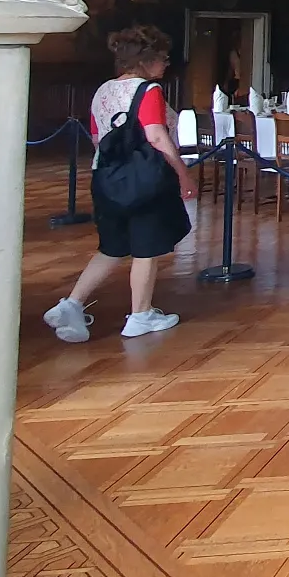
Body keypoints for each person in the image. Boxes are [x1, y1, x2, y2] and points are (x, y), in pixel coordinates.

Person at [43, 23, 191, 342]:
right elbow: (156, 135)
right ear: (145, 59)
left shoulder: (103, 91)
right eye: (163, 57)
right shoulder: (148, 90)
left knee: (112, 247)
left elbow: (98, 138)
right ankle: (140, 315)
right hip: (145, 179)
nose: (166, 64)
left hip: (106, 176)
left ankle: (71, 304)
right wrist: (182, 173)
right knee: (147, 247)